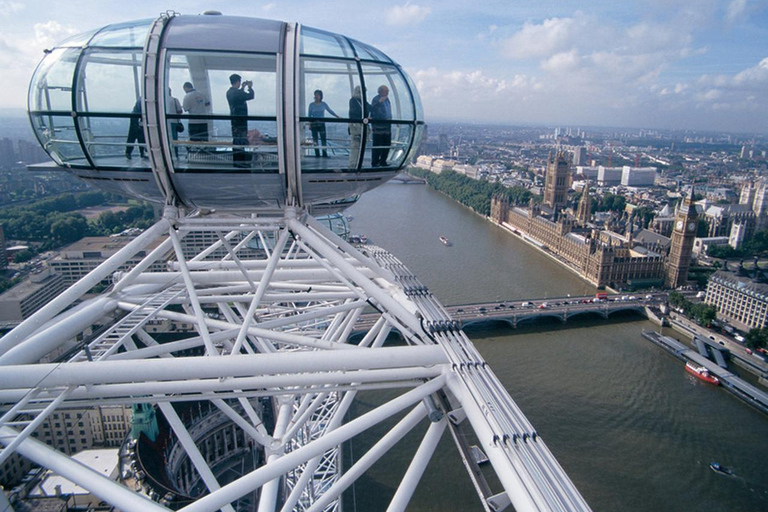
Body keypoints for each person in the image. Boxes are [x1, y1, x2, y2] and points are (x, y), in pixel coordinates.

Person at [226, 73, 254, 167]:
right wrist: (250, 87)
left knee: (236, 141)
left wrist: (242, 88)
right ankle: (242, 163)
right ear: (238, 81)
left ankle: (237, 163)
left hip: (234, 120)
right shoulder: (238, 93)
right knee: (241, 141)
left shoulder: (229, 92)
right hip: (241, 121)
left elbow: (239, 97)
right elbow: (251, 96)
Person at [307, 89, 339, 158]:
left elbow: (330, 111)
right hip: (314, 124)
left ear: (321, 96)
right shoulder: (311, 105)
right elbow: (309, 115)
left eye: (318, 95)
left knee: (323, 139)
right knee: (315, 140)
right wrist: (309, 124)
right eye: (315, 95)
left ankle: (324, 154)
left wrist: (337, 116)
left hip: (321, 124)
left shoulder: (324, 104)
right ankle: (317, 154)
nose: (316, 96)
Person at [369, 85, 391, 167]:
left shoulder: (387, 100)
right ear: (381, 91)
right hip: (378, 127)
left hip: (387, 126)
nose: (387, 93)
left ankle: (383, 161)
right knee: (377, 144)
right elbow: (373, 110)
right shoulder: (376, 99)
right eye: (386, 91)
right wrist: (379, 102)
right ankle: (375, 162)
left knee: (386, 144)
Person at [348, 85, 368, 168]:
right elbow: (354, 112)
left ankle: (357, 163)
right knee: (356, 145)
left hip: (359, 126)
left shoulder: (362, 101)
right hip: (356, 126)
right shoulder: (354, 101)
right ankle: (353, 164)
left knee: (359, 146)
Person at [167, 88, 183, 158]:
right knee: (174, 139)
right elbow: (180, 111)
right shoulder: (174, 100)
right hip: (174, 122)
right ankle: (175, 154)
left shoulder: (161, 101)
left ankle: (167, 154)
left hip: (164, 123)